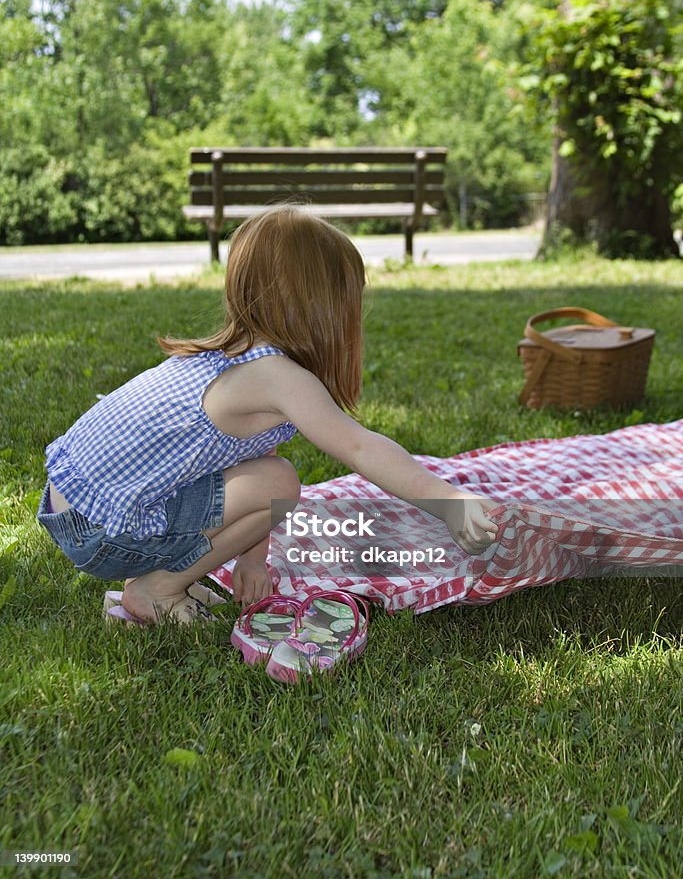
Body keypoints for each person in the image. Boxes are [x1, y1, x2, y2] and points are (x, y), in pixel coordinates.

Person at [37, 205, 497, 624]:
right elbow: (360, 446)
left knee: (269, 476)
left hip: (76, 509)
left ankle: (165, 573)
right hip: (104, 530)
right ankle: (157, 588)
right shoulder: (278, 377)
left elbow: (250, 463)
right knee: (281, 482)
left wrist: (255, 560)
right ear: (324, 308)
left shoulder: (234, 356)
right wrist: (447, 501)